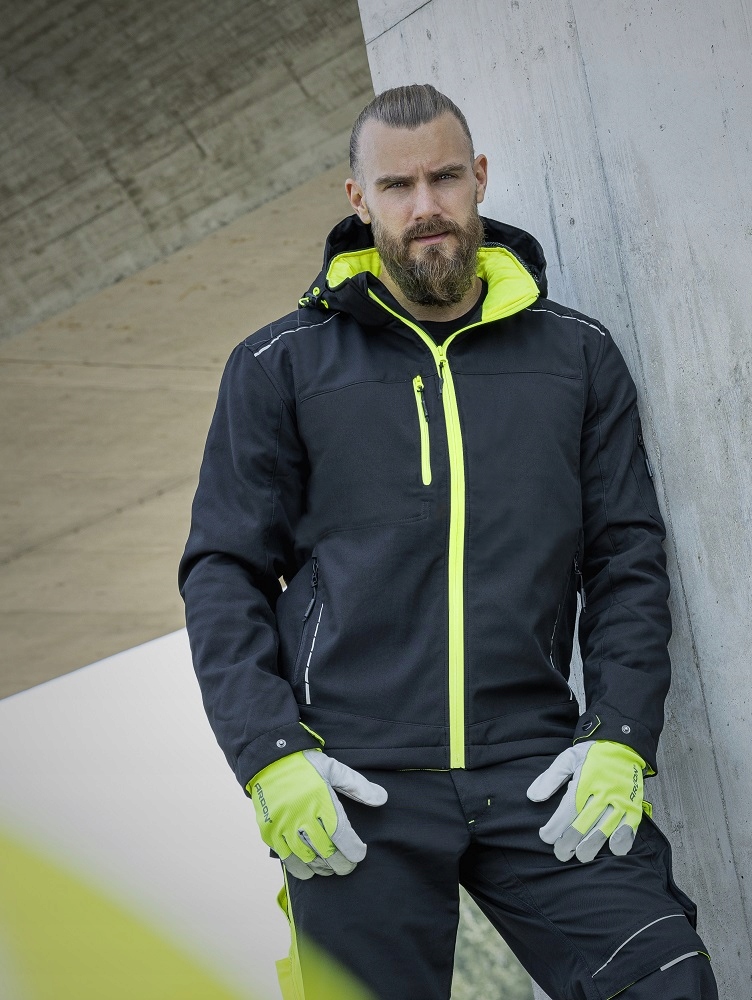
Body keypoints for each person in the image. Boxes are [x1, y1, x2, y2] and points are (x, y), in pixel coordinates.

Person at [179, 84, 718, 1000]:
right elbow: (223, 572)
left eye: (444, 178)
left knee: (666, 978)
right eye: (397, 186)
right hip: (355, 780)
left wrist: (621, 734)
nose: (425, 205)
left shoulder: (576, 355)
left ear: (480, 179)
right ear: (359, 199)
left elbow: (625, 557)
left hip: (538, 763)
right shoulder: (279, 366)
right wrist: (270, 752)